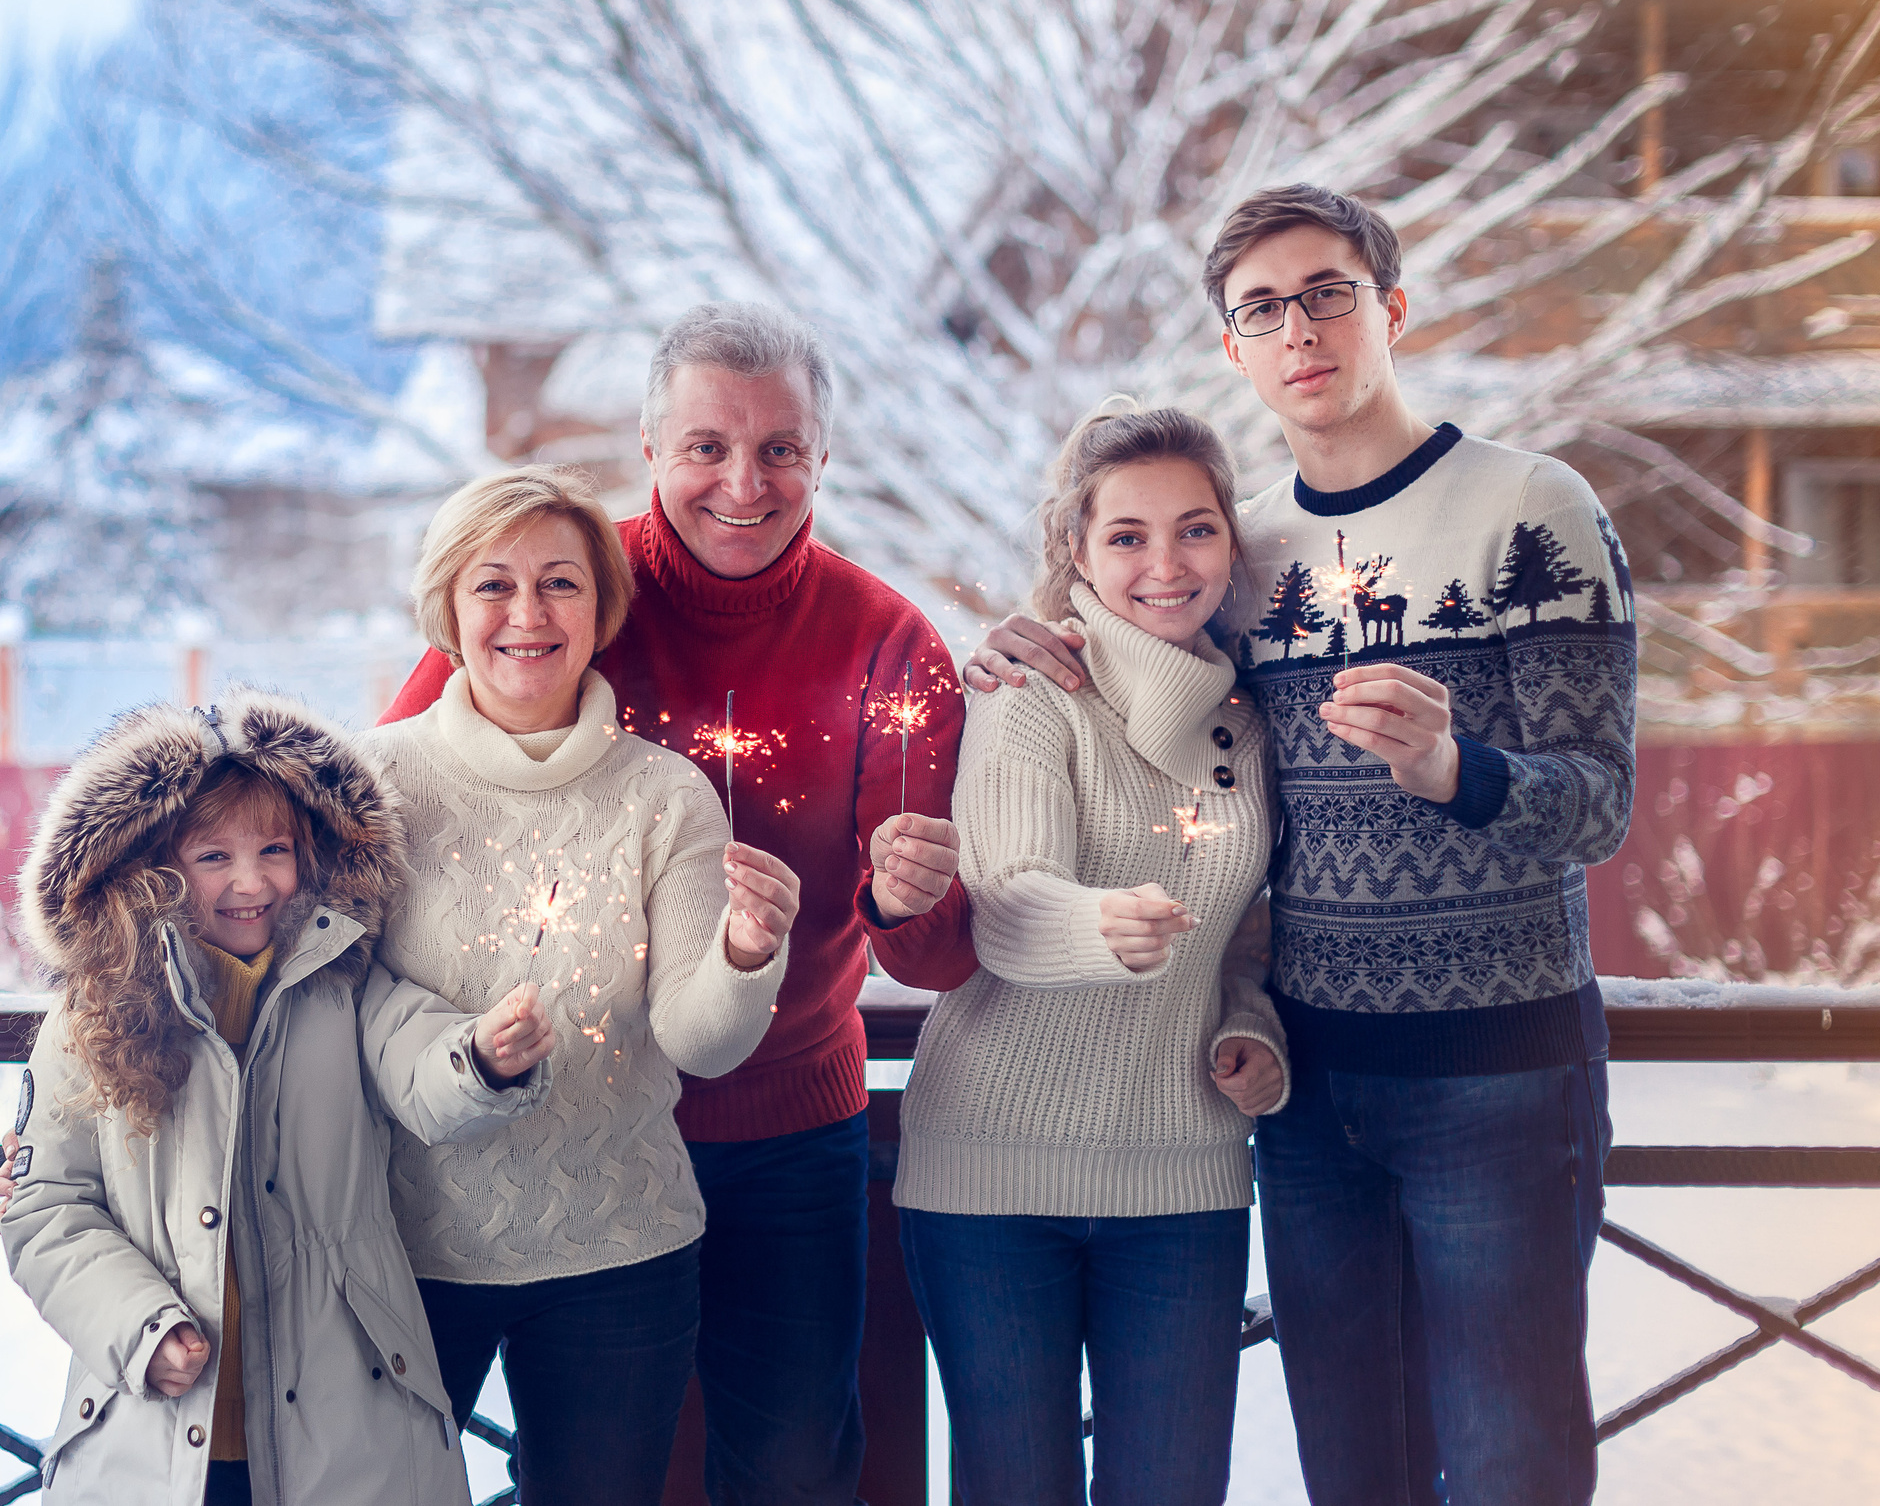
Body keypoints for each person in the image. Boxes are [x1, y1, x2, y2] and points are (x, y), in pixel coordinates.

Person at [967, 184, 1635, 1504]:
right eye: (1260, 308)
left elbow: (1602, 801)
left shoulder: (1531, 508)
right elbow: (1130, 667)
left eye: (1328, 290)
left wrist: (1452, 769)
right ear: (1232, 346)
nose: (1300, 327)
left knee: (1514, 1467)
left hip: (1496, 1074)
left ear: (1388, 306)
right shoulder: (1245, 551)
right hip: (1306, 1093)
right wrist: (1013, 637)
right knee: (1354, 1471)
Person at [378, 303, 974, 1505]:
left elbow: (937, 958)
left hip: (785, 1131)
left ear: (823, 455)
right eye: (706, 446)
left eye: (780, 449)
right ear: (648, 450)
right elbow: (388, 820)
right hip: (552, 1125)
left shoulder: (890, 647)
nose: (742, 483)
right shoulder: (550, 591)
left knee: (793, 1465)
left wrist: (906, 902)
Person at [361, 463, 804, 1505]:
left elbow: (699, 1041)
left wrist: (745, 954)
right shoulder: (368, 783)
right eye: (493, 585)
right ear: (447, 608)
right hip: (399, 1243)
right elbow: (306, 999)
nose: (527, 614)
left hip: (619, 1245)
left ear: (601, 608)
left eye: (559, 583)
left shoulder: (667, 798)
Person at [0, 689, 558, 1505]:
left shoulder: (341, 981)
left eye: (275, 848)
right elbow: (45, 1201)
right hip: (157, 1428)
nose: (250, 880)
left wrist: (481, 1056)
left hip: (345, 1423)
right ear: (155, 865)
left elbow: (419, 1058)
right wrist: (140, 1327)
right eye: (212, 856)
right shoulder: (96, 1013)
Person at [900, 398, 1287, 1505]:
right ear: (1074, 548)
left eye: (1195, 528)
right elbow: (1004, 905)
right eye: (1126, 536)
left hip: (1182, 1175)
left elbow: (1240, 942)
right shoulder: (1033, 693)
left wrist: (1252, 1034)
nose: (1165, 563)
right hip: (991, 1174)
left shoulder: (1250, 730)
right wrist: (1097, 924)